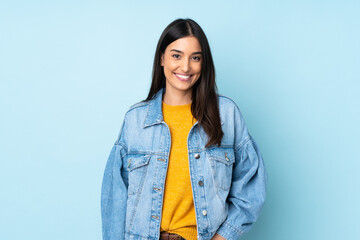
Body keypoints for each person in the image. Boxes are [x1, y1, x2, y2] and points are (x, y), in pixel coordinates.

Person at [101, 18, 268, 240]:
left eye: (195, 58)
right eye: (176, 55)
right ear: (162, 58)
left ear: (203, 63)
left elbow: (251, 188)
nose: (186, 66)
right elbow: (115, 199)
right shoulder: (135, 120)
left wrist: (223, 236)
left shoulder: (226, 114)